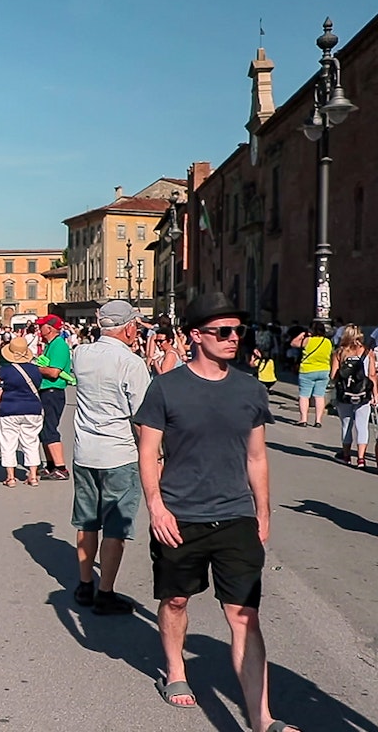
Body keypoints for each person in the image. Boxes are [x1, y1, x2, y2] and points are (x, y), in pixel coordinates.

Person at [135, 292, 295, 731]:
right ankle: (177, 670)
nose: (232, 339)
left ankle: (263, 719)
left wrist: (263, 511)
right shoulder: (166, 387)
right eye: (222, 331)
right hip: (180, 515)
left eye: (237, 331)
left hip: (235, 516)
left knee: (244, 614)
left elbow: (256, 456)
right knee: (176, 598)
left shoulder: (249, 388)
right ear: (195, 336)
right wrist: (156, 507)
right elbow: (148, 453)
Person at [69, 300, 152, 616]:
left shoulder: (81, 354)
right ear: (129, 327)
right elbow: (142, 416)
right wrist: (155, 457)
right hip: (118, 452)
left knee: (87, 521)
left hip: (85, 451)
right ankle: (106, 592)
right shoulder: (131, 363)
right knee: (116, 527)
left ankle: (85, 582)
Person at [0, 337, 43, 487]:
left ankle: (11, 477)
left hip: (9, 409)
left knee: (8, 443)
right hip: (32, 409)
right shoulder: (35, 369)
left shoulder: (5, 370)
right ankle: (33, 476)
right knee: (31, 442)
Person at [329, 324, 376, 469]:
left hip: (345, 395)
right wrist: (375, 395)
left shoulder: (339, 353)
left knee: (346, 425)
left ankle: (346, 456)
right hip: (363, 394)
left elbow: (333, 376)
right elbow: (372, 376)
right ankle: (361, 459)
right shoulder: (367, 352)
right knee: (362, 426)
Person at [36, 314, 72, 480]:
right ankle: (50, 465)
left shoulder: (59, 345)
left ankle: (61, 467)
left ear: (49, 328)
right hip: (46, 391)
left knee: (50, 428)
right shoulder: (50, 345)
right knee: (43, 429)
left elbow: (53, 372)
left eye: (41, 325)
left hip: (53, 391)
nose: (39, 328)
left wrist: (35, 369)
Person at [292, 321, 332, 427]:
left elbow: (293, 343)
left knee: (304, 396)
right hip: (324, 370)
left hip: (307, 370)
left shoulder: (307, 340)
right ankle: (318, 421)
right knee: (319, 396)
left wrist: (302, 335)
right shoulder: (327, 342)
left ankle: (303, 419)